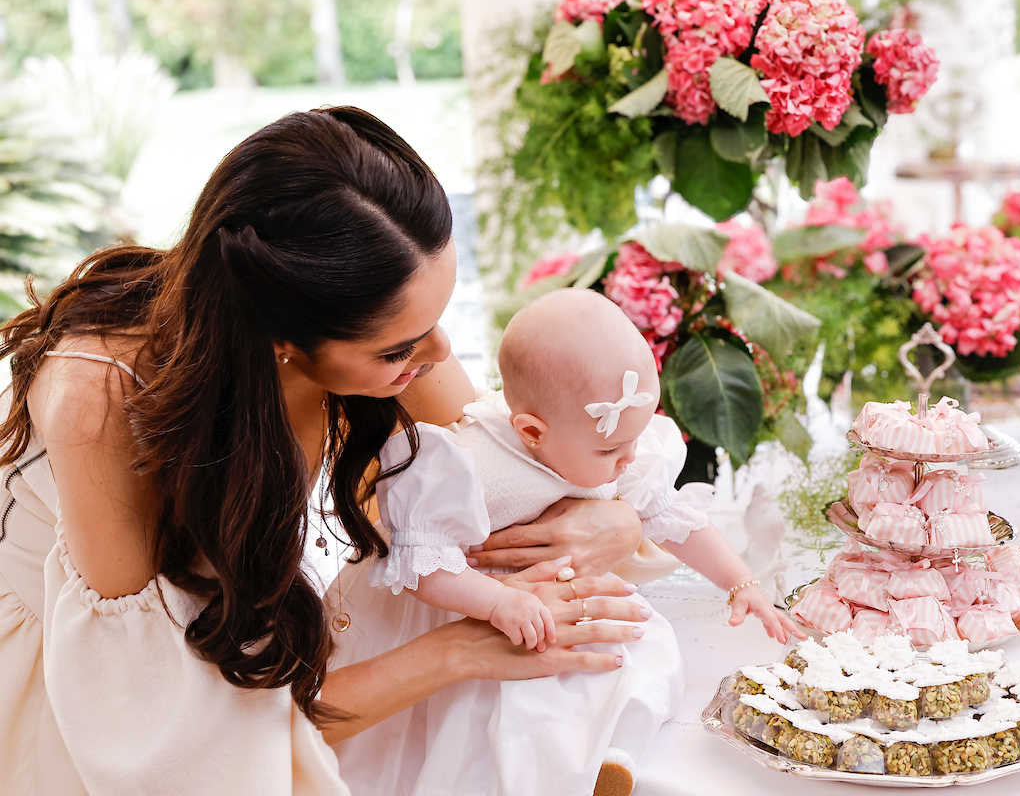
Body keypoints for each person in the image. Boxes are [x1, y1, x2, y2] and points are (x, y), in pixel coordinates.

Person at [0, 106, 649, 796]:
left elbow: (508, 476)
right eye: (398, 348)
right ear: (285, 336)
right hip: (91, 714)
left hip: (230, 687)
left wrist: (613, 521)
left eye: (439, 322)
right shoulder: (96, 400)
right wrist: (455, 651)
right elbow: (182, 745)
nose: (435, 357)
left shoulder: (348, 330)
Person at [336, 289, 795, 796]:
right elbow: (423, 563)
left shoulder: (608, 443)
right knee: (508, 707)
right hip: (472, 606)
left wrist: (739, 581)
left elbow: (670, 515)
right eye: (611, 449)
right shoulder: (467, 463)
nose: (628, 460)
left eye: (635, 441)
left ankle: (612, 756)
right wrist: (498, 601)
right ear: (532, 430)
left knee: (645, 650)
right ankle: (538, 779)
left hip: (562, 595)